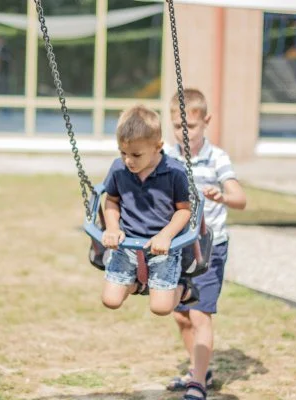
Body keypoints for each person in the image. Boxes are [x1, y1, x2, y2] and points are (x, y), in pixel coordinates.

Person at [163, 89, 247, 400]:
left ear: (206, 121)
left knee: (199, 313)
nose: (184, 134)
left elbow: (241, 199)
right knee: (179, 313)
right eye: (177, 127)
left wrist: (222, 195)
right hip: (178, 248)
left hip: (209, 248)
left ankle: (197, 381)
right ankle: (201, 369)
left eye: (191, 127)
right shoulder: (168, 158)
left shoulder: (217, 158)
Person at [100, 105, 199, 317]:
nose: (128, 160)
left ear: (157, 146)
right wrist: (112, 228)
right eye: (123, 152)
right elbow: (111, 201)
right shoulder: (119, 169)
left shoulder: (175, 173)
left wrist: (165, 236)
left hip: (163, 245)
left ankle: (184, 287)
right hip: (126, 242)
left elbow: (184, 211)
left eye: (136, 154)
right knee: (110, 300)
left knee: (161, 308)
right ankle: (139, 284)